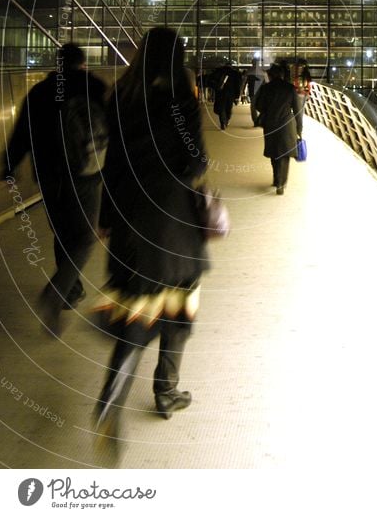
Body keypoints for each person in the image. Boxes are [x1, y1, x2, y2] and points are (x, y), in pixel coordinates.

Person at [93, 27, 211, 446]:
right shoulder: (179, 97)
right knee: (179, 303)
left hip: (128, 216)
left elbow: (113, 164)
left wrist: (106, 216)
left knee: (138, 309)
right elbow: (194, 161)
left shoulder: (122, 97)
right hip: (171, 219)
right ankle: (166, 391)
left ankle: (112, 395)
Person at [1, 43, 107, 336]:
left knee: (63, 233)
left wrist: (9, 166)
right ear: (82, 63)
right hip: (85, 174)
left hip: (48, 175)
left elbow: (22, 132)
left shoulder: (39, 92)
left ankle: (71, 290)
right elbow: (112, 130)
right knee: (84, 239)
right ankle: (58, 291)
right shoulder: (95, 86)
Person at [254, 63, 302, 195]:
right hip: (287, 125)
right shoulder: (290, 88)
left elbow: (258, 105)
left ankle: (277, 179)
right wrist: (299, 129)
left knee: (274, 153)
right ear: (282, 75)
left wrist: (269, 110)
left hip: (270, 124)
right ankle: (281, 183)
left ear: (270, 75)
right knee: (285, 155)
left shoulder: (266, 88)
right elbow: (298, 110)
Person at [210, 62, 242, 129]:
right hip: (231, 94)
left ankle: (222, 122)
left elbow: (212, 81)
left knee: (221, 107)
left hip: (220, 93)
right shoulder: (235, 73)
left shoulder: (219, 71)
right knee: (228, 108)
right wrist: (237, 96)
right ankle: (226, 120)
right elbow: (238, 85)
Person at [292, 59, 312, 134]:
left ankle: (297, 128)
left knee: (296, 112)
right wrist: (308, 93)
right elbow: (308, 83)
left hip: (295, 92)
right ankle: (299, 130)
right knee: (300, 112)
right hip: (302, 93)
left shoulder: (295, 71)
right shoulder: (305, 73)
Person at [246, 59, 267, 126]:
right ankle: (260, 119)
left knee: (253, 106)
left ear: (252, 63)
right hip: (262, 91)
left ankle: (255, 121)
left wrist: (241, 91)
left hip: (252, 91)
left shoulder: (249, 71)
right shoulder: (263, 72)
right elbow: (267, 83)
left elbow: (244, 82)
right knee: (263, 106)